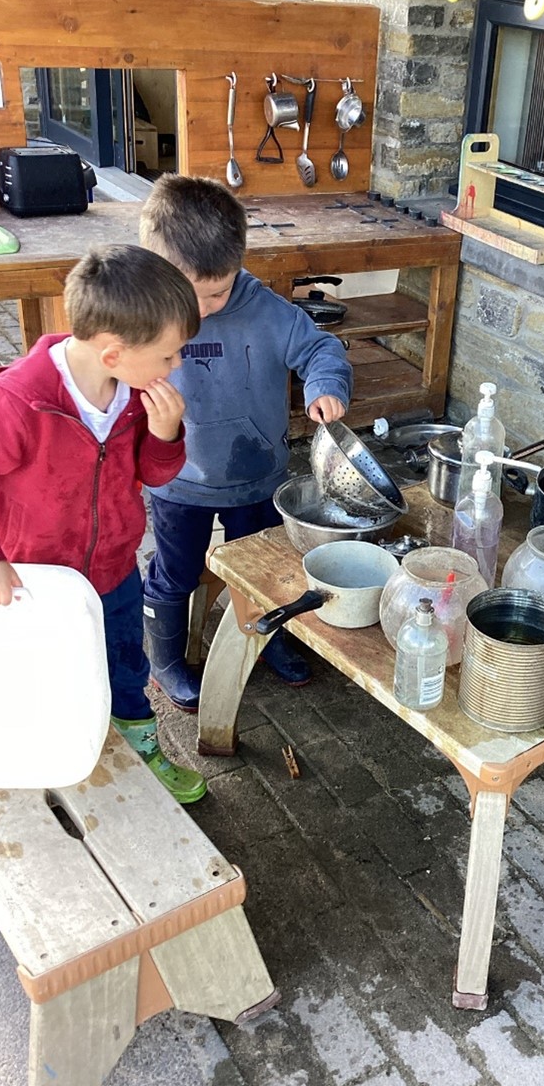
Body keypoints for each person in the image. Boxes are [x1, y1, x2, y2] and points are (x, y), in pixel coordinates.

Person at [0, 245, 207, 803]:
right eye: (168, 355)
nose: (176, 366)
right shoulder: (19, 402)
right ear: (112, 353)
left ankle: (139, 747)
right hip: (35, 581)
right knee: (45, 670)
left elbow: (153, 474)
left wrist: (165, 435)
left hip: (114, 568)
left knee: (124, 663)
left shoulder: (136, 397)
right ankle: (45, 759)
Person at [138, 175, 352, 710]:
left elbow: (322, 349)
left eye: (220, 290)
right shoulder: (144, 310)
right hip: (175, 479)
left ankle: (267, 640)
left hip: (257, 474)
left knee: (265, 569)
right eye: (194, 294)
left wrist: (325, 386)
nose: (206, 306)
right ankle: (165, 659)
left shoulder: (268, 312)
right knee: (176, 572)